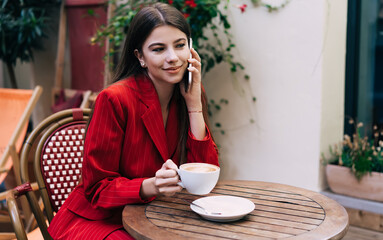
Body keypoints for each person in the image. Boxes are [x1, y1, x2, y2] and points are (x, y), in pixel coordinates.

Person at [48, 3, 219, 239]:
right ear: (140, 57)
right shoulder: (114, 99)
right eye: (159, 49)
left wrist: (194, 106)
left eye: (180, 45)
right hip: (100, 220)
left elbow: (203, 177)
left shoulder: (189, 96)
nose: (173, 58)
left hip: (154, 216)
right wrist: (152, 185)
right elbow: (97, 189)